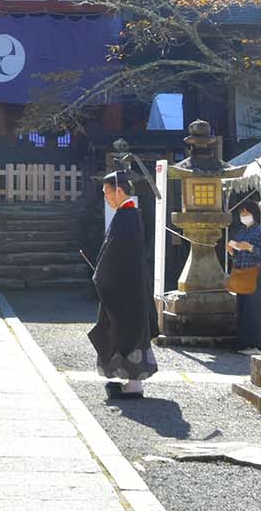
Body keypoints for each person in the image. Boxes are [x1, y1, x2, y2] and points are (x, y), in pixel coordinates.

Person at [89, 168, 158, 399]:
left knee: (123, 330)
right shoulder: (130, 215)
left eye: (107, 193)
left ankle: (133, 385)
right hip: (130, 286)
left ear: (118, 191)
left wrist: (100, 276)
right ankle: (132, 383)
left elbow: (114, 256)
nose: (106, 198)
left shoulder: (126, 218)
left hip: (124, 288)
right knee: (128, 329)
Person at [226, 200, 261, 353]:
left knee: (255, 310)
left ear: (254, 214)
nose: (243, 216)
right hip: (242, 274)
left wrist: (250, 247)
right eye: (241, 213)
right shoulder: (241, 231)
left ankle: (258, 345)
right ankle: (244, 344)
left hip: (257, 275)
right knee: (243, 310)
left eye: (246, 213)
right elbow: (239, 256)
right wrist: (232, 251)